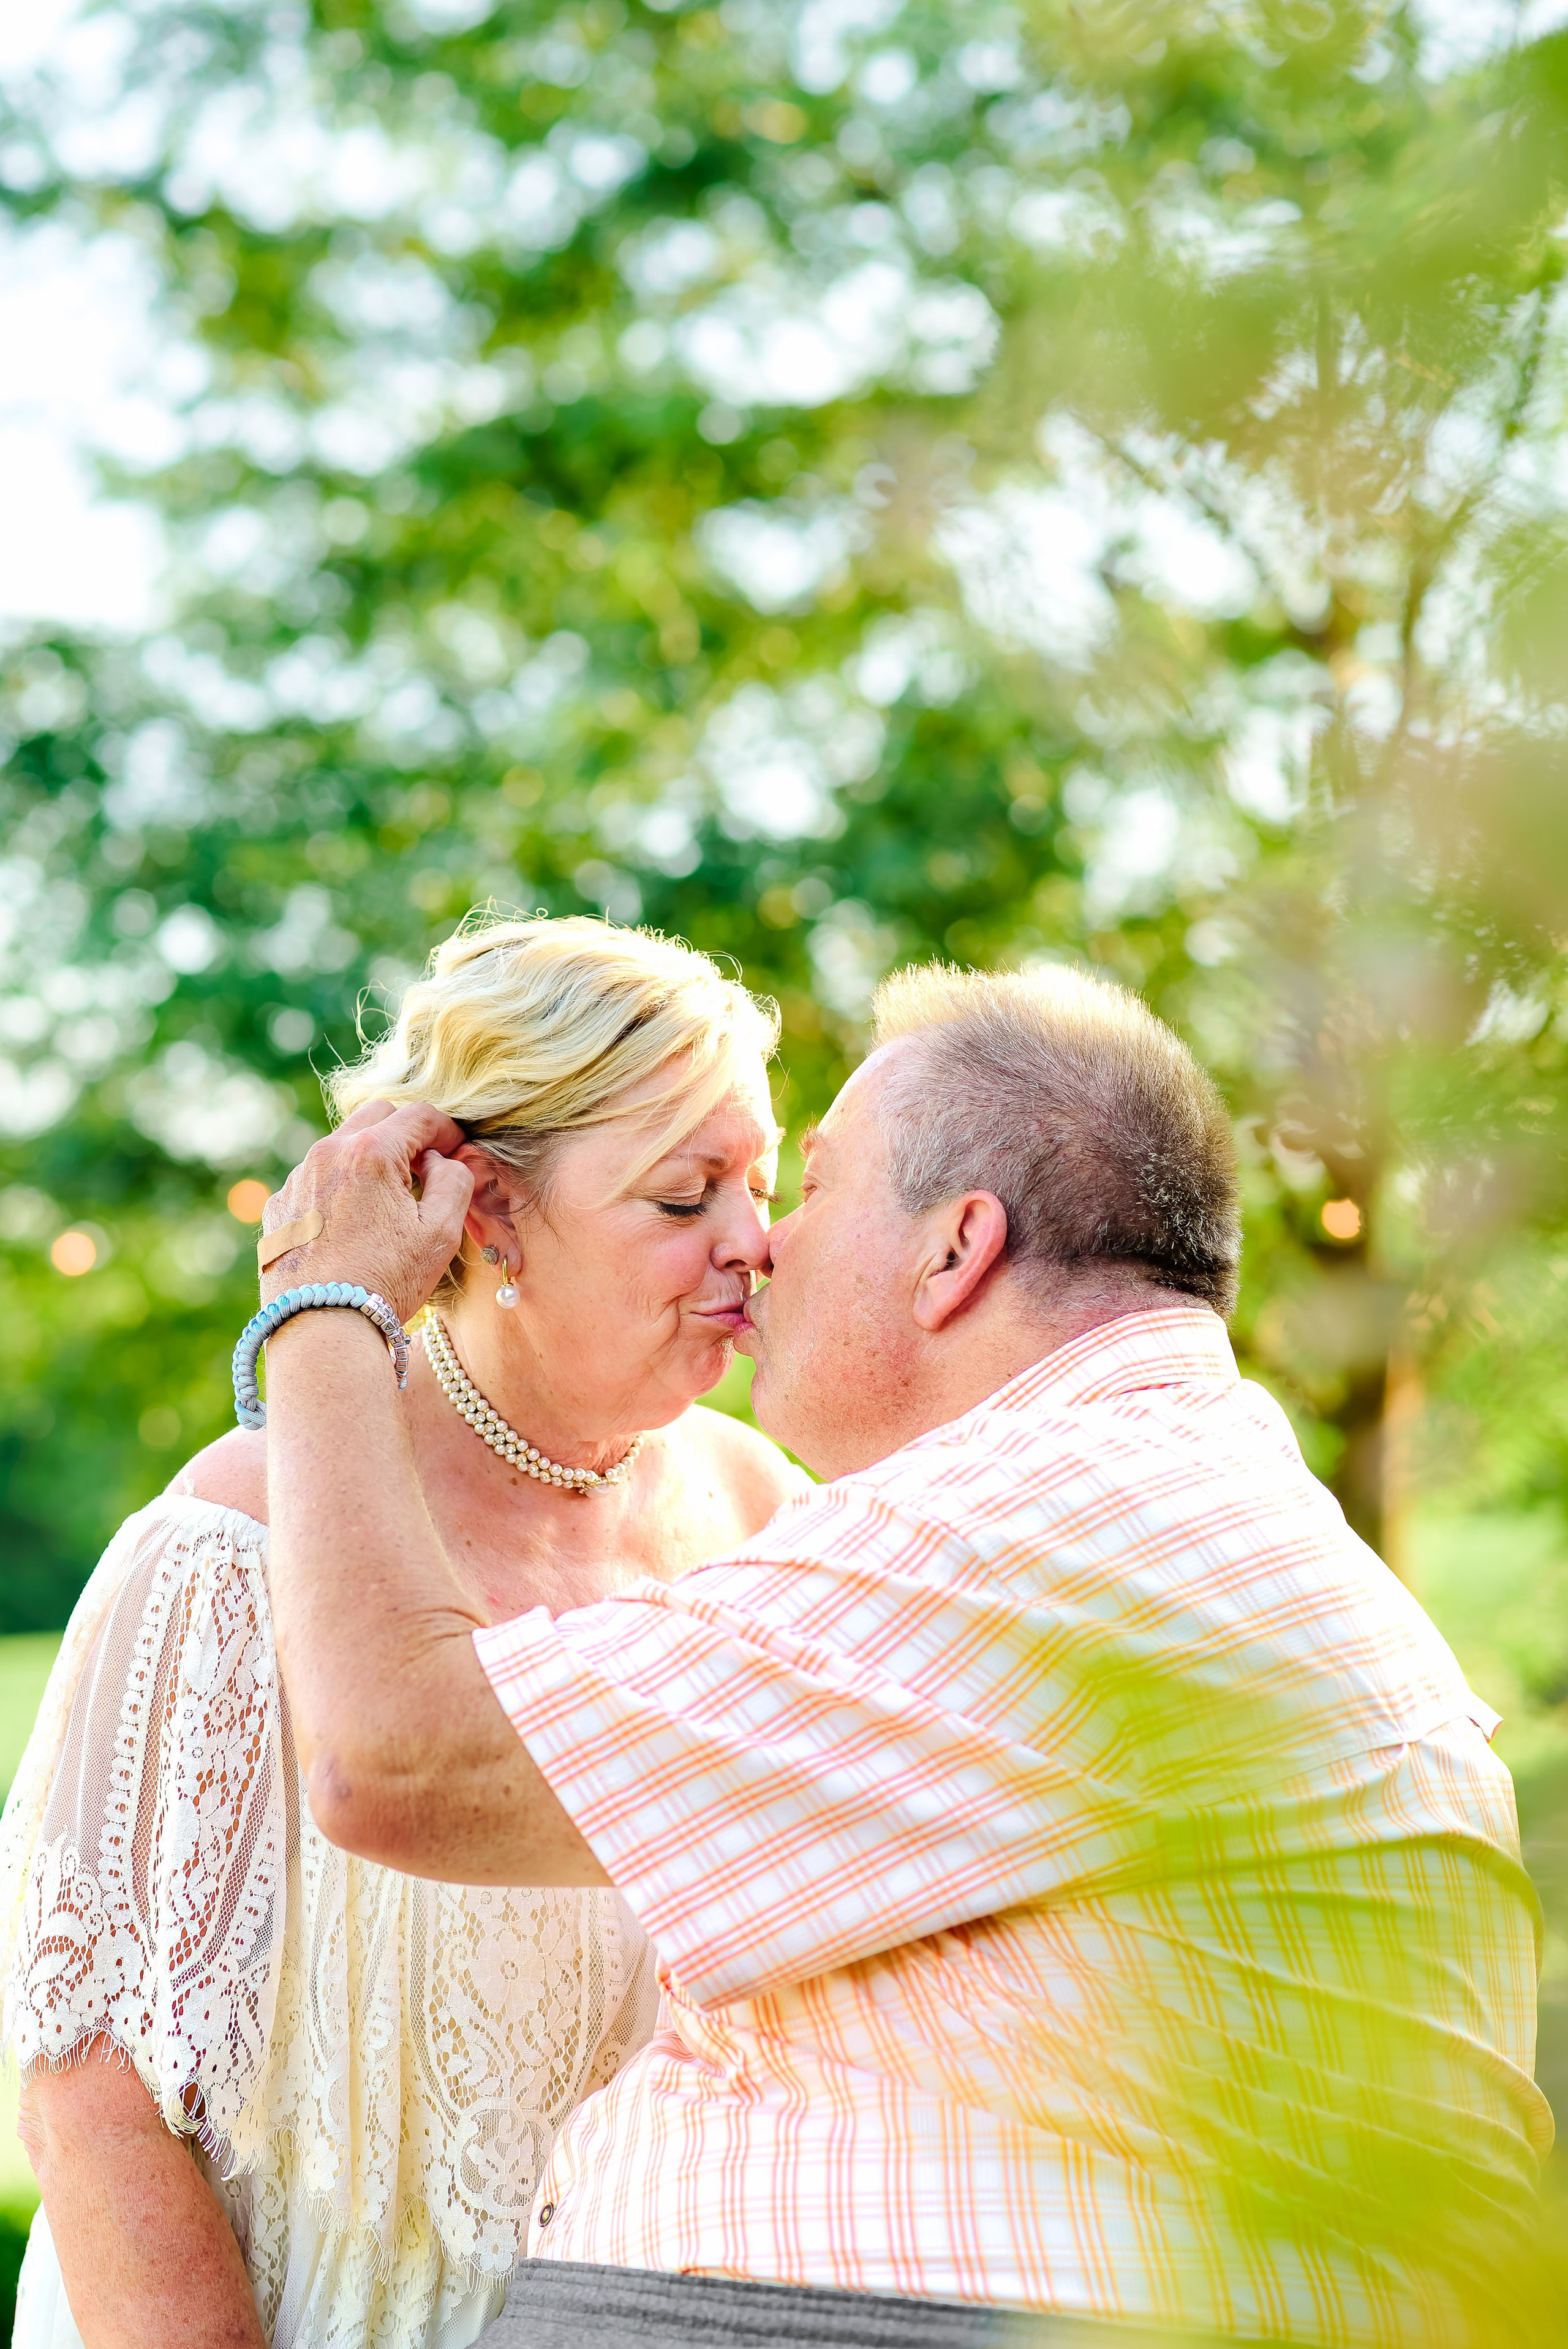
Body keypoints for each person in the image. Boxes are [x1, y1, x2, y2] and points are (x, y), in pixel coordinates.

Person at [234, 962, 1550, 2349]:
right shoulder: (1173, 1494)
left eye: (804, 1189)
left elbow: (395, 1758)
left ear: (954, 1250)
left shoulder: (1032, 1524)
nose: (763, 1247)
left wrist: (324, 1308)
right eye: (694, 1196)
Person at [0, 914, 805, 2349]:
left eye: (759, 1182)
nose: (754, 1241)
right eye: (685, 1196)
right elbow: (94, 2094)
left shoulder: (768, 1517)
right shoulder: (231, 1543)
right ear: (486, 1215)